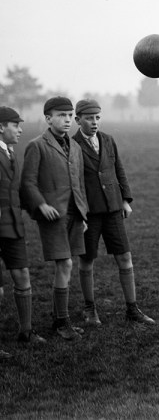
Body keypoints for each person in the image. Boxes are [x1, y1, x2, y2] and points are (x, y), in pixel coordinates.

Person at [72, 99, 154, 326]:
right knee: (87, 260)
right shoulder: (73, 145)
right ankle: (89, 309)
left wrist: (125, 199)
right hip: (88, 213)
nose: (94, 122)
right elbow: (73, 182)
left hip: (113, 209)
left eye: (97, 118)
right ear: (78, 120)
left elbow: (119, 169)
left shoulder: (108, 140)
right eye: (89, 118)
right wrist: (79, 213)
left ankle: (132, 309)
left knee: (125, 256)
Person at [20, 97, 89, 341]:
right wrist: (41, 204)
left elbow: (79, 182)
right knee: (65, 264)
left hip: (74, 213)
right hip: (53, 216)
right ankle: (61, 321)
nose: (67, 120)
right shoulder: (37, 146)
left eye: (70, 115)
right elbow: (28, 182)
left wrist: (83, 212)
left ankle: (59, 318)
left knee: (67, 265)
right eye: (61, 115)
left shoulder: (76, 147)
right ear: (48, 119)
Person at [0, 107, 46, 350]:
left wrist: (38, 209)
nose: (20, 130)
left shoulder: (10, 153)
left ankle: (26, 332)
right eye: (15, 125)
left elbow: (16, 192)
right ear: (1, 127)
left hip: (13, 225)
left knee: (23, 275)